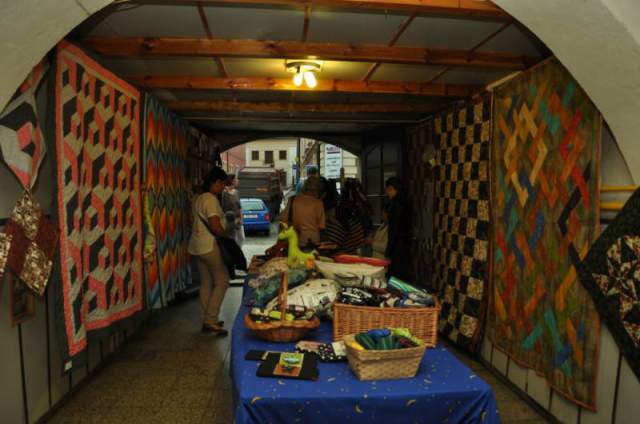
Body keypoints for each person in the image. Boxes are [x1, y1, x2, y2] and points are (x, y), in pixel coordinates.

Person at [188, 167, 230, 336]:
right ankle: (211, 320)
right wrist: (226, 237)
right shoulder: (211, 199)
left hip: (197, 246)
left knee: (206, 282)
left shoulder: (198, 198)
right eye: (222, 183)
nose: (223, 187)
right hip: (210, 246)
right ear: (215, 182)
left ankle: (207, 319)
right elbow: (215, 225)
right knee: (222, 280)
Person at [282, 175, 325, 248]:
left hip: (296, 239)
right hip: (313, 240)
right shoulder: (318, 203)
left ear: (304, 187)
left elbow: (284, 219)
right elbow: (321, 226)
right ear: (318, 190)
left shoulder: (292, 200)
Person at [384, 177, 411, 280]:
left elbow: (394, 229)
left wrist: (389, 249)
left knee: (395, 275)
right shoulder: (405, 201)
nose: (387, 193)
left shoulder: (396, 204)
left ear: (391, 188)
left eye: (387, 190)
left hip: (397, 245)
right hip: (404, 243)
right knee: (401, 274)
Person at [221, 175, 244, 248]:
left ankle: (238, 251)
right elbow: (222, 207)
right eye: (236, 179)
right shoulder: (224, 193)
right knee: (232, 238)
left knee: (241, 238)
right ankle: (234, 252)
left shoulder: (237, 192)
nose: (238, 180)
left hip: (238, 219)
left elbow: (239, 206)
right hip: (229, 220)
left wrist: (241, 217)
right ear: (232, 181)